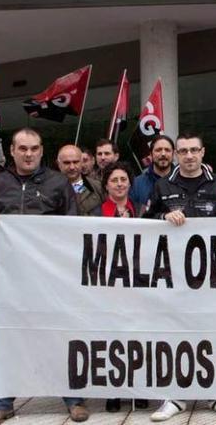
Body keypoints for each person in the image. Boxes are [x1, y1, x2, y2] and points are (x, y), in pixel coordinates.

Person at [0, 128, 87, 425]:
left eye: (34, 148)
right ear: (11, 150)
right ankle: (2, 403)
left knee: (60, 335)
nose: (28, 154)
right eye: (22, 148)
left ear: (41, 151)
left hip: (51, 279)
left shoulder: (58, 182)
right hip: (9, 278)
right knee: (6, 336)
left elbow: (73, 227)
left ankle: (73, 399)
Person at [143, 133, 216, 421]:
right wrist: (163, 219)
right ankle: (175, 397)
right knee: (175, 334)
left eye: (194, 150)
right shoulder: (162, 185)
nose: (188, 155)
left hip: (213, 275)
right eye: (182, 150)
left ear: (203, 151)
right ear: (176, 154)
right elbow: (143, 221)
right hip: (173, 275)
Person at [90, 162, 150, 413]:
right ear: (106, 185)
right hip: (109, 286)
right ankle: (114, 390)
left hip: (138, 286)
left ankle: (140, 388)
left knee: (139, 337)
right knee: (112, 339)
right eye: (114, 180)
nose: (119, 184)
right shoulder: (96, 213)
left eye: (123, 179)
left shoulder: (143, 212)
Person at [129, 135, 175, 211]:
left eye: (167, 150)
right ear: (151, 154)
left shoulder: (183, 182)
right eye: (158, 150)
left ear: (173, 154)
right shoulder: (136, 184)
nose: (163, 154)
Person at [57, 144, 104, 216]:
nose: (72, 167)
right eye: (67, 163)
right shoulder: (49, 188)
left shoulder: (98, 187)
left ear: (81, 162)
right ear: (58, 164)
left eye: (76, 162)